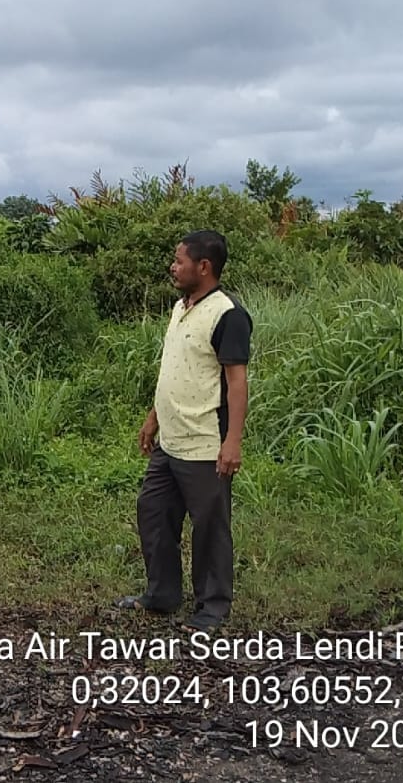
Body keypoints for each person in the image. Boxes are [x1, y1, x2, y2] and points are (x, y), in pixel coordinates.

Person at [118, 229, 252, 633]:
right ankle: (161, 595)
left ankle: (212, 608)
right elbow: (174, 368)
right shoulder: (182, 307)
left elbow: (236, 382)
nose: (173, 267)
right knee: (154, 513)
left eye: (179, 261)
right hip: (170, 440)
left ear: (204, 266)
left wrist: (232, 442)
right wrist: (153, 417)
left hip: (205, 444)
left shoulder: (228, 314)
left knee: (210, 528)